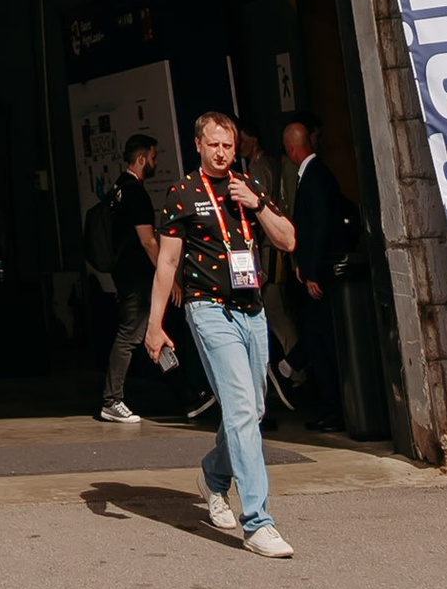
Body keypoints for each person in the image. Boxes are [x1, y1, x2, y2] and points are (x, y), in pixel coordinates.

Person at [146, 107, 297, 559]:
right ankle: (259, 522)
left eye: (228, 145)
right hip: (208, 310)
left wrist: (257, 204)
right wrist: (154, 324)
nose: (221, 152)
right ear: (198, 145)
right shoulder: (182, 193)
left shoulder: (250, 186)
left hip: (252, 311)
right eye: (213, 144)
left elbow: (288, 239)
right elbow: (168, 263)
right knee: (240, 411)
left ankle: (213, 475)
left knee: (251, 409)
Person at [276, 113, 351, 434]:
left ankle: (332, 405)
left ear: (292, 151)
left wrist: (311, 272)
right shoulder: (316, 175)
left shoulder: (314, 177)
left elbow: (317, 228)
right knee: (318, 336)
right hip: (315, 271)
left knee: (322, 340)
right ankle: (298, 371)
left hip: (319, 276)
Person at [95, 135, 165, 427]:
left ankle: (186, 392)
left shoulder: (116, 190)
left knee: (154, 327)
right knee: (130, 334)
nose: (155, 162)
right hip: (137, 276)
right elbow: (148, 240)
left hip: (125, 273)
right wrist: (166, 273)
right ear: (141, 159)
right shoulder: (135, 193)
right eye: (153, 156)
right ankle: (112, 400)